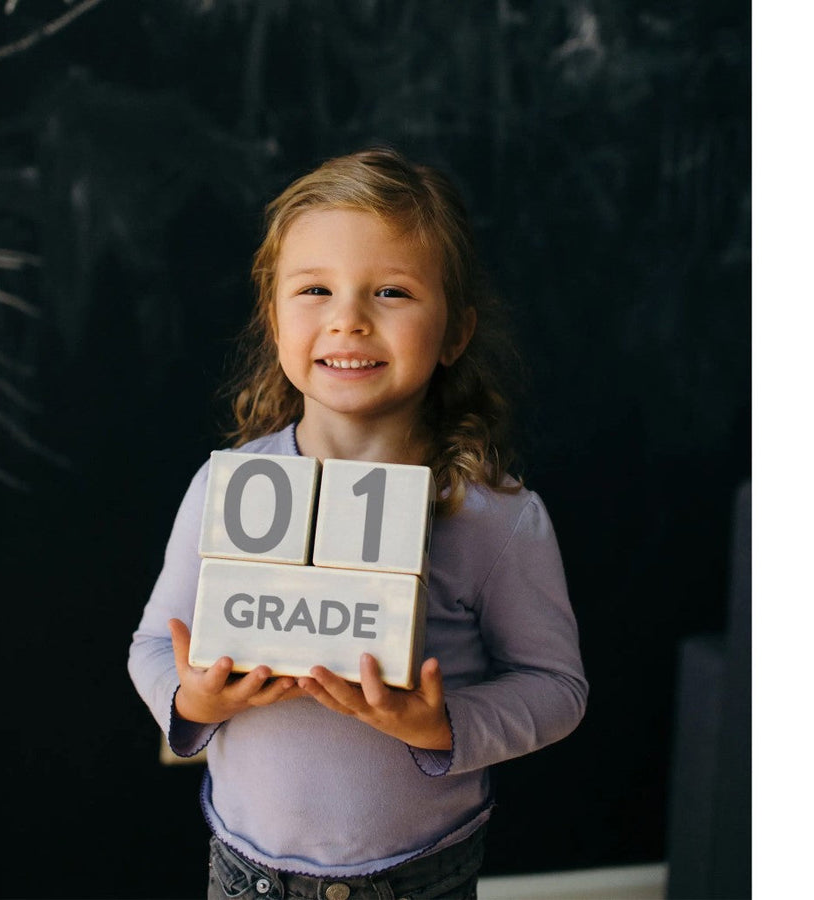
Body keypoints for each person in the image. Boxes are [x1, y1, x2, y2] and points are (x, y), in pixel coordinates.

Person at [128, 147, 588, 900]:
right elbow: (152, 642)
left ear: (455, 333)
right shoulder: (224, 486)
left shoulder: (492, 515)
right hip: (248, 875)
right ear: (273, 320)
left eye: (391, 292)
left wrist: (444, 727)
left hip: (420, 878)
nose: (348, 319)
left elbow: (557, 689)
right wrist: (193, 703)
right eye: (314, 289)